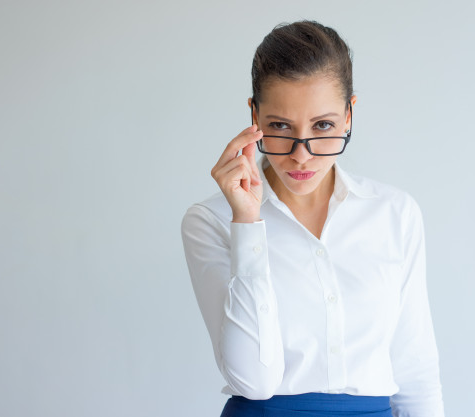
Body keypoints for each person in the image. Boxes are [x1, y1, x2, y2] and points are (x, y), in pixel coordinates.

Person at [181, 20, 445, 417]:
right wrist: (248, 223)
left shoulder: (394, 213)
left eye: (323, 125)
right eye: (280, 126)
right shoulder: (212, 221)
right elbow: (254, 381)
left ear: (348, 115)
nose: (301, 155)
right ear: (254, 115)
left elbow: (416, 372)